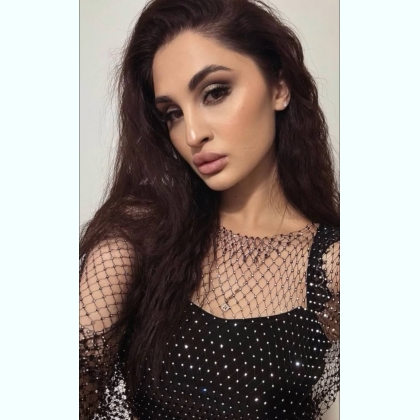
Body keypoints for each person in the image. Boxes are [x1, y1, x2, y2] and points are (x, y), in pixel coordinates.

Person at [79, 0, 340, 419]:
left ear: (279, 87)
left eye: (215, 93)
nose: (193, 134)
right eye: (172, 114)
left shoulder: (332, 266)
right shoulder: (140, 237)